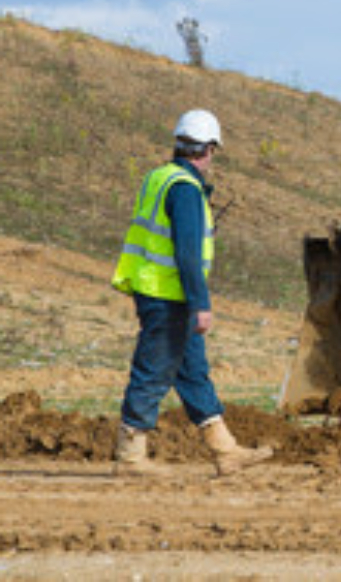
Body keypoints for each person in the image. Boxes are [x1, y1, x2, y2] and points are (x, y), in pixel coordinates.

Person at [111, 109, 273, 477]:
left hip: (160, 290)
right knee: (153, 369)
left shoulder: (159, 178)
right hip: (170, 296)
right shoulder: (184, 189)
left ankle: (225, 450)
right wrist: (201, 304)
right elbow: (186, 253)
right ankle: (131, 456)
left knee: (193, 371)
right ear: (209, 149)